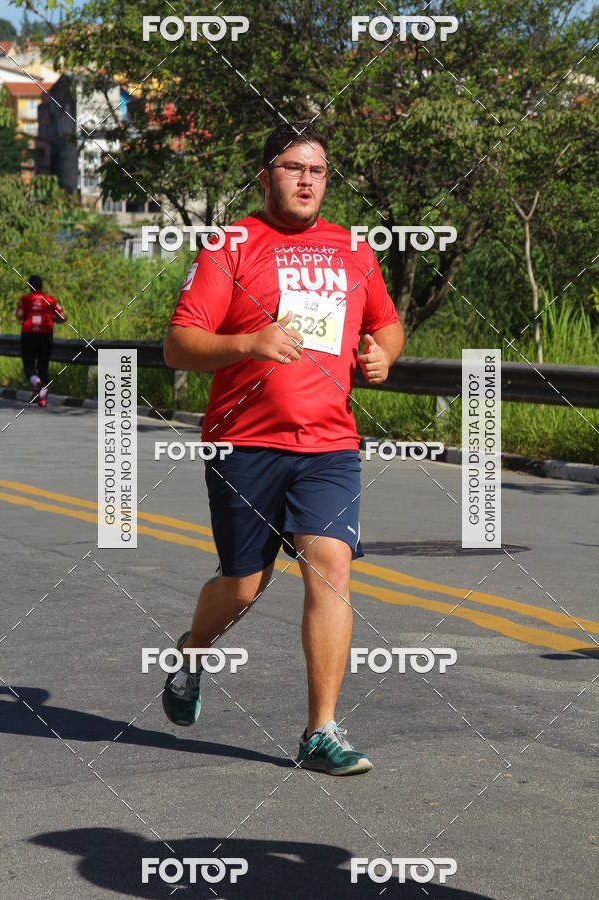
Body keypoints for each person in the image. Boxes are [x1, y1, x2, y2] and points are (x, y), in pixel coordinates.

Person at [162, 122, 405, 775]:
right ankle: (192, 653)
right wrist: (250, 343)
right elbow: (179, 344)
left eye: (316, 171)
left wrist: (385, 354)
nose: (305, 180)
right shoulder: (232, 245)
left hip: (329, 441)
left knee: (331, 565)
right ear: (266, 174)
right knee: (244, 586)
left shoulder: (352, 248)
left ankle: (320, 731)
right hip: (244, 441)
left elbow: (386, 321)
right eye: (292, 167)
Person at [15, 275, 67, 408]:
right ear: (41, 285)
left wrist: (27, 315)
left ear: (29, 286)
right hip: (45, 335)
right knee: (43, 367)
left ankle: (36, 382)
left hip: (29, 334)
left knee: (29, 366)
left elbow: (19, 316)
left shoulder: (25, 299)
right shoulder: (50, 300)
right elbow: (63, 317)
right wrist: (52, 318)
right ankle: (42, 399)